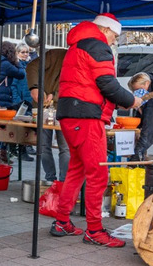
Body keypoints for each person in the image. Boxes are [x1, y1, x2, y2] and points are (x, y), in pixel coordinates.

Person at [49, 14, 135, 247]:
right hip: (86, 116)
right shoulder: (97, 46)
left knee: (76, 170)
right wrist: (131, 101)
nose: (114, 41)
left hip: (71, 113)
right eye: (115, 36)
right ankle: (95, 230)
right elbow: (107, 83)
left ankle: (61, 221)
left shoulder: (77, 44)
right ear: (105, 30)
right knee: (98, 174)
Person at [27, 47, 70, 183]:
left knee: (65, 148)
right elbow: (32, 66)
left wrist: (55, 95)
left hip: (65, 109)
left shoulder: (85, 62)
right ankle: (50, 179)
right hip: (42, 107)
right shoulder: (56, 54)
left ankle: (63, 182)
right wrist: (34, 88)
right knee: (44, 146)